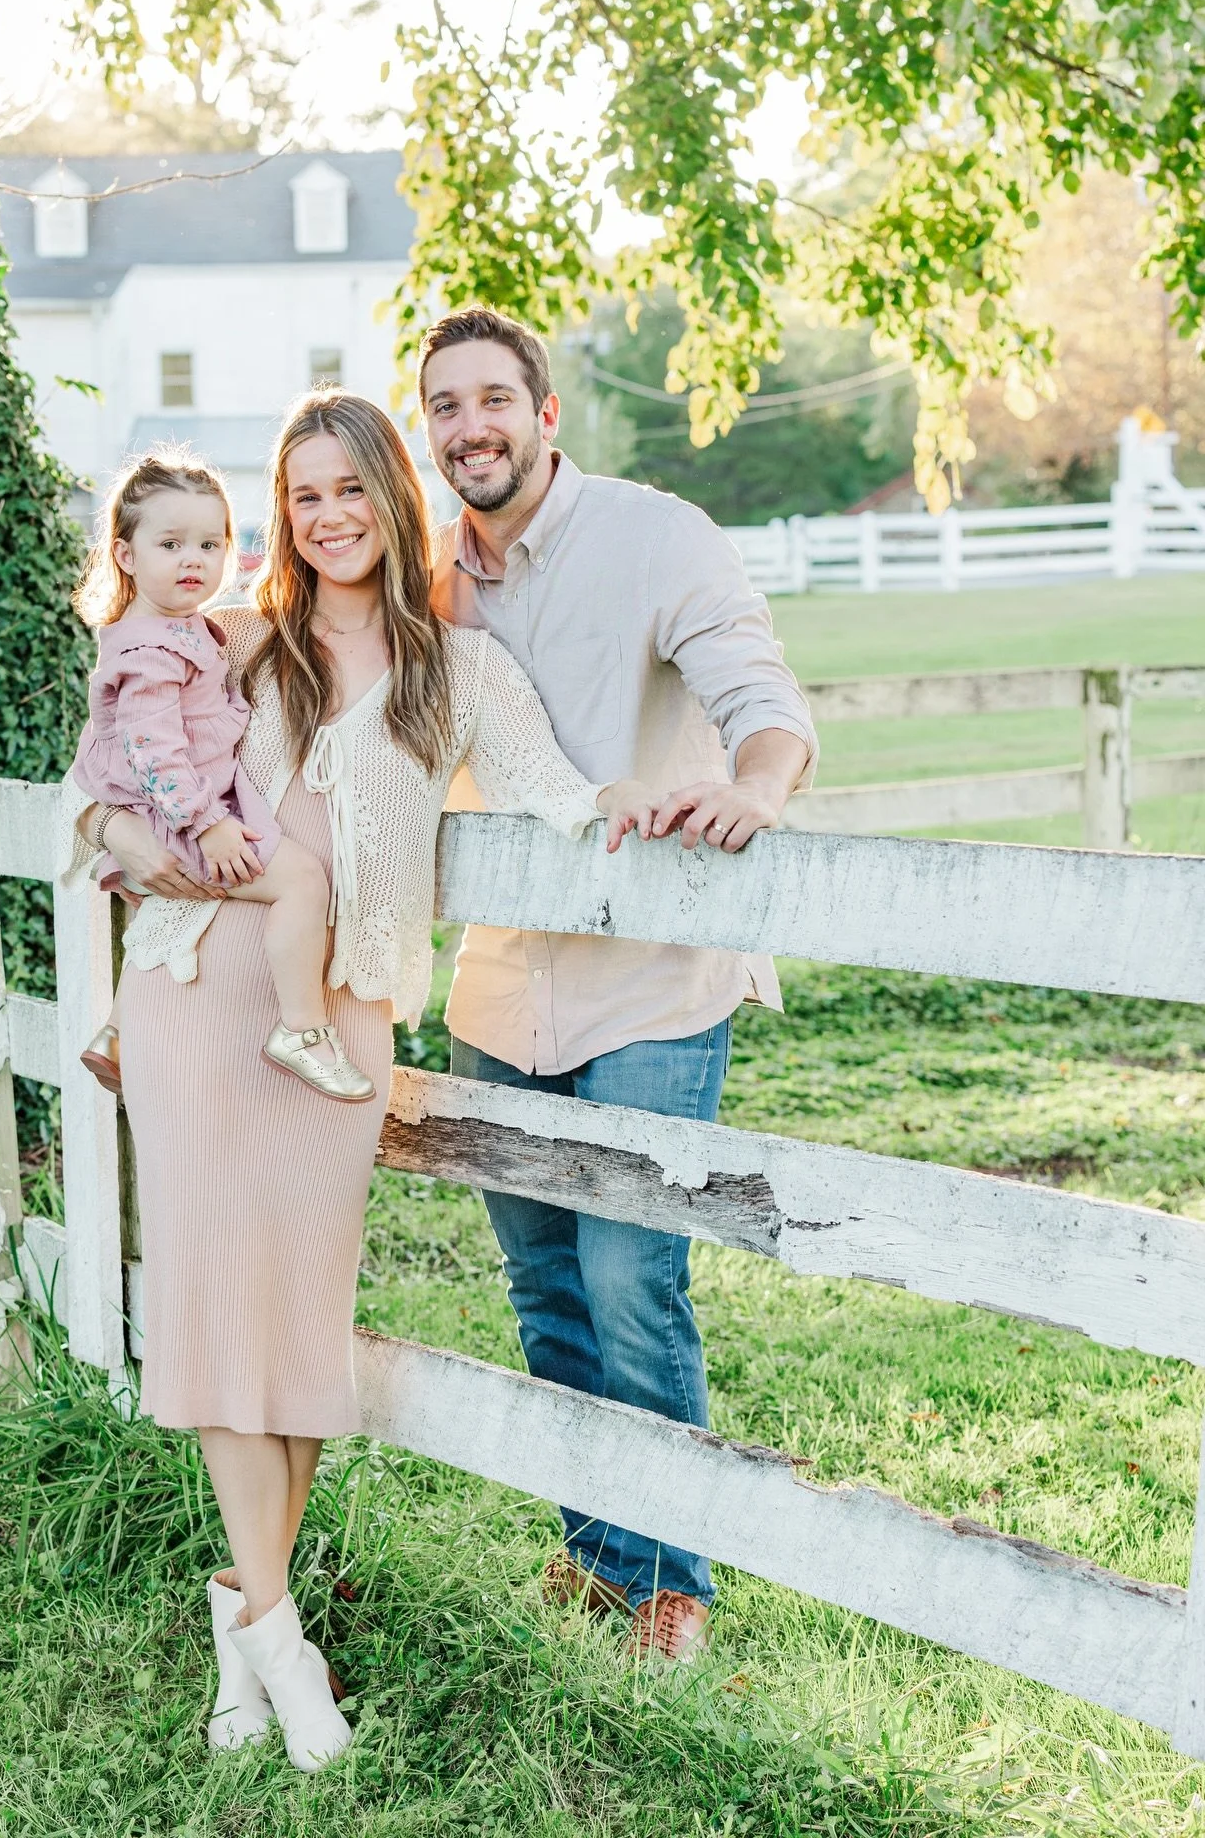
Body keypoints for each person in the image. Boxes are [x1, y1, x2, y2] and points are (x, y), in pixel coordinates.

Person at [58, 388, 662, 1769]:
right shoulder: (236, 637)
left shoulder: (458, 669)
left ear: (395, 498)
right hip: (203, 997)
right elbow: (99, 769)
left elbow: (558, 790)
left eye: (350, 490)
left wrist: (626, 806)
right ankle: (282, 1640)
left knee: (302, 1331)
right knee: (219, 1313)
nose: (327, 517)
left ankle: (240, 1616)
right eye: (305, 494)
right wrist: (117, 833)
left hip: (339, 1031)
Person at [422, 306, 819, 1666]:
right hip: (497, 986)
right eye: (445, 406)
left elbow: (767, 702)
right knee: (542, 1284)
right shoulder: (432, 580)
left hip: (654, 980)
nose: (469, 425)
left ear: (545, 414)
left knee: (631, 1275)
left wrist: (751, 790)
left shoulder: (656, 535)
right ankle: (599, 1551)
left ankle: (674, 1582)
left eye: (493, 399)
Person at [68, 448, 372, 1103]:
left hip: (176, 815)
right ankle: (303, 1027)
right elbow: (152, 753)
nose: (193, 560)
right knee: (301, 881)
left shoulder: (178, 631)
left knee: (179, 910)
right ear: (126, 555)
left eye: (210, 543)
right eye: (171, 544)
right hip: (185, 819)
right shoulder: (153, 648)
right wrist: (206, 825)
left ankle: (118, 1033)